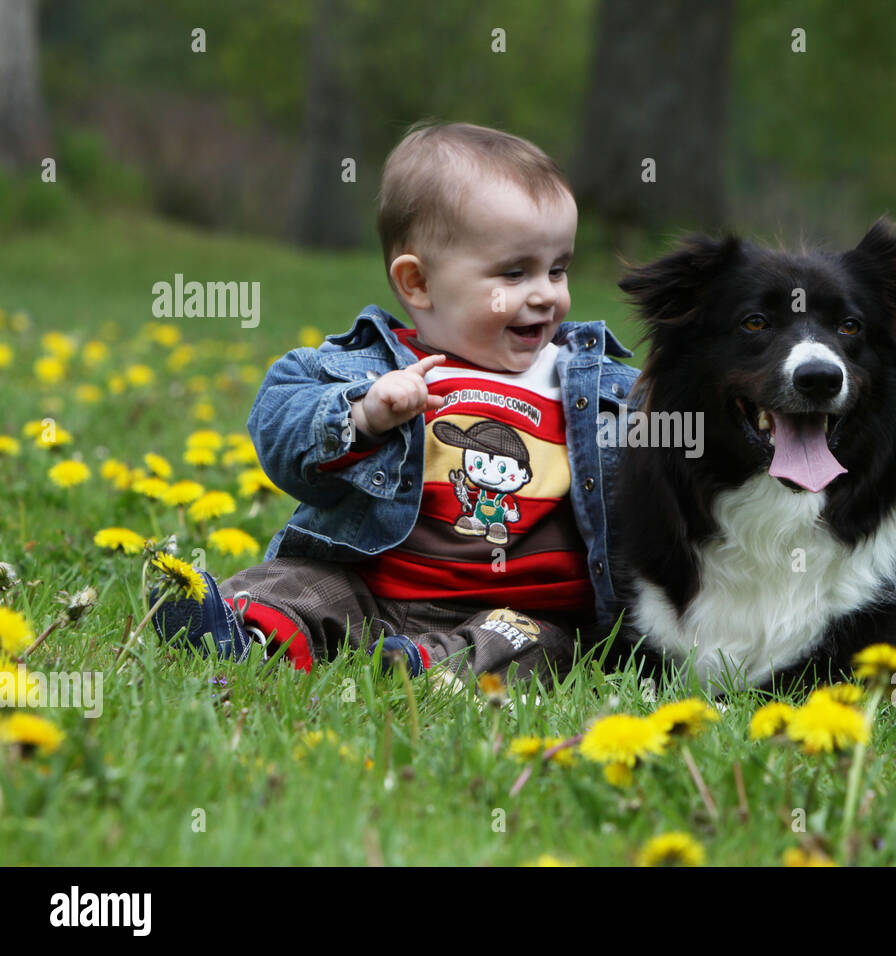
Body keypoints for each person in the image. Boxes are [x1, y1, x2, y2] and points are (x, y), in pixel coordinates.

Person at [151, 121, 638, 689]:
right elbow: (278, 422)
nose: (545, 293)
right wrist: (361, 416)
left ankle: (424, 667)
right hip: (372, 584)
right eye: (515, 272)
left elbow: (674, 443)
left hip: (515, 607)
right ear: (419, 284)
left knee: (540, 643)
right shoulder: (375, 369)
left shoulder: (586, 383)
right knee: (293, 583)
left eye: (558, 269)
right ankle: (243, 633)